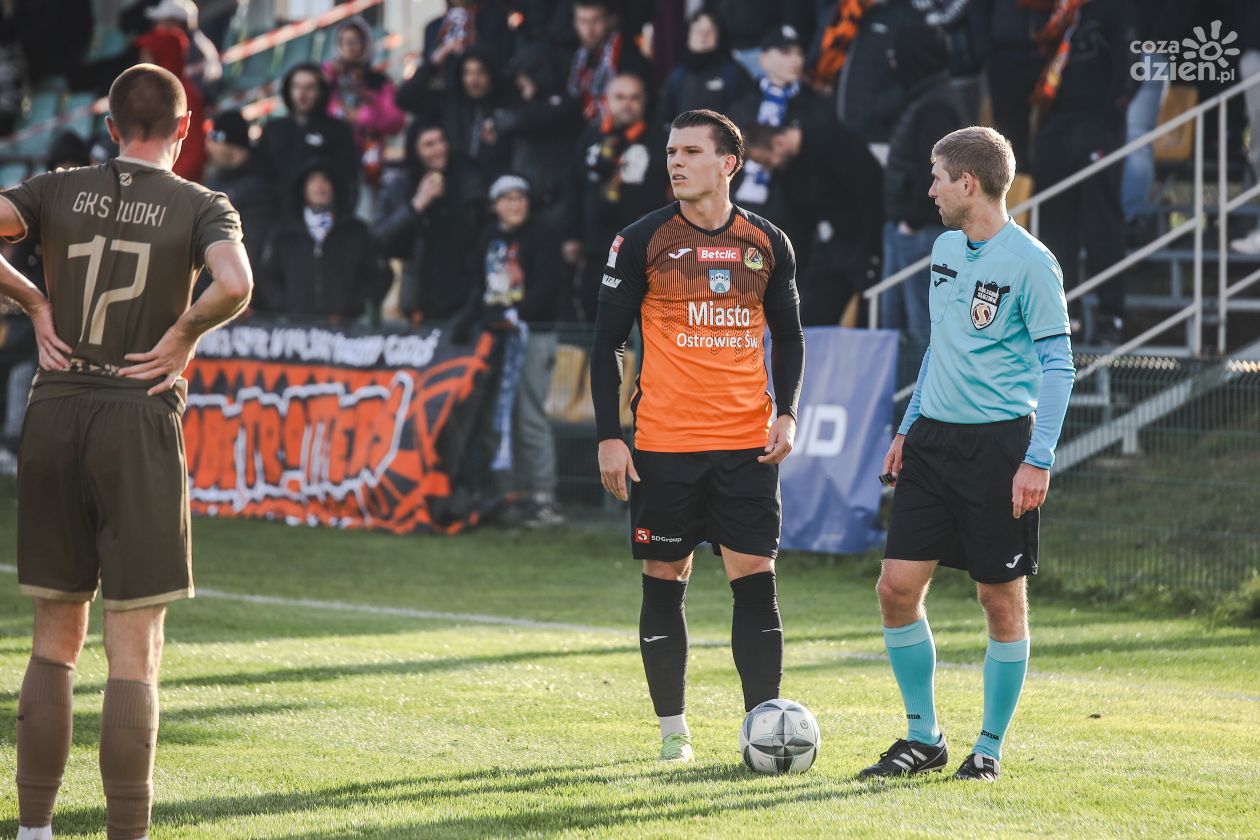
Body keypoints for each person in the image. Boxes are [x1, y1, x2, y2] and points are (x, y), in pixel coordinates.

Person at [0, 63, 252, 840]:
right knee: (134, 648)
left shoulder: (56, 188)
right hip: (137, 413)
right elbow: (235, 283)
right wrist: (184, 334)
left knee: (53, 639)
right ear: (185, 128)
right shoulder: (201, 203)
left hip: (55, 408)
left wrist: (32, 300)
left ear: (110, 126)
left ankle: (34, 831)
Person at [590, 109, 805, 764]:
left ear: (727, 163)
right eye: (671, 152)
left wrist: (788, 413)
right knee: (665, 575)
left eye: (689, 152)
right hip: (664, 444)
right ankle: (673, 734)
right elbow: (606, 344)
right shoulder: (640, 240)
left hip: (747, 445)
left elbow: (790, 337)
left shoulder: (767, 242)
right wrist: (610, 435)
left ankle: (764, 731)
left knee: (755, 578)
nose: (675, 163)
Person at [862, 126, 1075, 783]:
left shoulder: (1032, 262)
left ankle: (988, 748)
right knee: (896, 588)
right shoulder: (946, 247)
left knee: (998, 600)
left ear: (968, 182)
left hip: (998, 447)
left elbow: (1059, 365)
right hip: (931, 441)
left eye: (937, 177)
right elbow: (941, 344)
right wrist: (908, 427)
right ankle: (923, 736)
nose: (929, 189)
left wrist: (1038, 458)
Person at [458, 174, 564, 527]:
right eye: (507, 198)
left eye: (520, 198)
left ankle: (543, 498)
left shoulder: (543, 235)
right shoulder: (487, 238)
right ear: (494, 205)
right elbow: (478, 285)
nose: (515, 204)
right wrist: (479, 318)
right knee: (496, 416)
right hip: (496, 339)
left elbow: (549, 286)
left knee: (529, 416)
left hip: (533, 335)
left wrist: (517, 314)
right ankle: (509, 495)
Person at [1030, 0, 1136, 345]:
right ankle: (1063, 313)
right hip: (1056, 125)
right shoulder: (1057, 14)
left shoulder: (1115, 9)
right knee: (1054, 225)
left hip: (1097, 126)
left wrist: (1110, 118)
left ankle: (1111, 315)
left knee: (1101, 222)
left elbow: (1129, 68)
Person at [881, 23, 967, 363]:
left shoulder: (936, 105)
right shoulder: (926, 99)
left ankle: (925, 397)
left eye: (897, 54)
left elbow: (937, 171)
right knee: (899, 331)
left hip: (921, 233)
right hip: (911, 230)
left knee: (919, 330)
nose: (891, 61)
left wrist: (912, 221)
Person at [744, 119, 884, 326]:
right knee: (811, 315)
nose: (770, 167)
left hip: (863, 243)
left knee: (869, 316)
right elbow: (798, 223)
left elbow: (870, 194)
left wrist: (873, 250)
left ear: (779, 143)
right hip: (827, 247)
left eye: (767, 161)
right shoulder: (786, 170)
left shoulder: (833, 140)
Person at [563, 73, 667, 320]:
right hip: (596, 247)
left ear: (644, 101)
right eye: (620, 97)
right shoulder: (591, 137)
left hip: (642, 250)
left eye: (634, 98)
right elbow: (573, 187)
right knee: (594, 312)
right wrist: (571, 235)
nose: (627, 104)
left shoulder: (660, 140)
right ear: (606, 100)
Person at [256, 161, 391, 322]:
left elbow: (381, 277)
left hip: (345, 328)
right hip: (296, 327)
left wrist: (351, 307)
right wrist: (286, 305)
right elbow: (266, 275)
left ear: (335, 187)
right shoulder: (284, 232)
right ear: (302, 188)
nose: (320, 186)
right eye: (313, 180)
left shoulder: (357, 231)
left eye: (325, 180)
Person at [376, 123, 484, 324]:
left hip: (465, 299)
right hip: (420, 300)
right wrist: (416, 205)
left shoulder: (467, 177)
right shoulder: (402, 185)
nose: (439, 149)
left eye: (441, 141)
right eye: (429, 144)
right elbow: (380, 239)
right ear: (415, 151)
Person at [257, 63, 360, 212]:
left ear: (321, 91)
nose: (302, 94)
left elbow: (348, 176)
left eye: (310, 87)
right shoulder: (273, 129)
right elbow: (261, 173)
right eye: (296, 86)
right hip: (278, 211)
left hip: (323, 212)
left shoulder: (338, 130)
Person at [656, 10, 755, 128]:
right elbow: (665, 116)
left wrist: (724, 130)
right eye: (698, 31)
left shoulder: (732, 72)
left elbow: (750, 107)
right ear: (688, 36)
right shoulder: (678, 76)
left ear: (719, 36)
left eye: (710, 31)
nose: (703, 36)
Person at [205, 110, 276, 272]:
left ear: (233, 145)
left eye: (215, 138)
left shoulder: (258, 187)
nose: (209, 146)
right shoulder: (214, 181)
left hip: (233, 276)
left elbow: (253, 248)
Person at [566, 0, 653, 120]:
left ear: (611, 20)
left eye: (596, 20)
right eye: (583, 21)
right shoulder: (574, 55)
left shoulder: (629, 57)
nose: (589, 29)